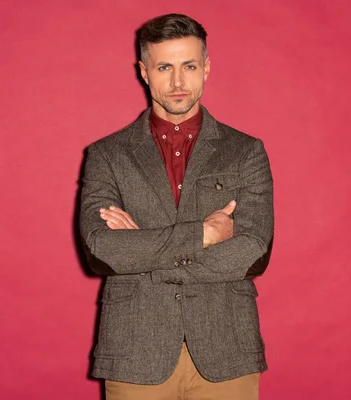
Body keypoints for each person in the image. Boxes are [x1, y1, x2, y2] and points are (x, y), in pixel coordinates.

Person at [79, 13, 274, 400]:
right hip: (135, 349)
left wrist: (144, 248)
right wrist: (204, 234)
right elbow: (100, 252)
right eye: (164, 66)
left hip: (227, 347)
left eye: (189, 65)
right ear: (144, 71)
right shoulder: (106, 155)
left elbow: (255, 253)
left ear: (206, 68)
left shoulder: (246, 152)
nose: (178, 81)